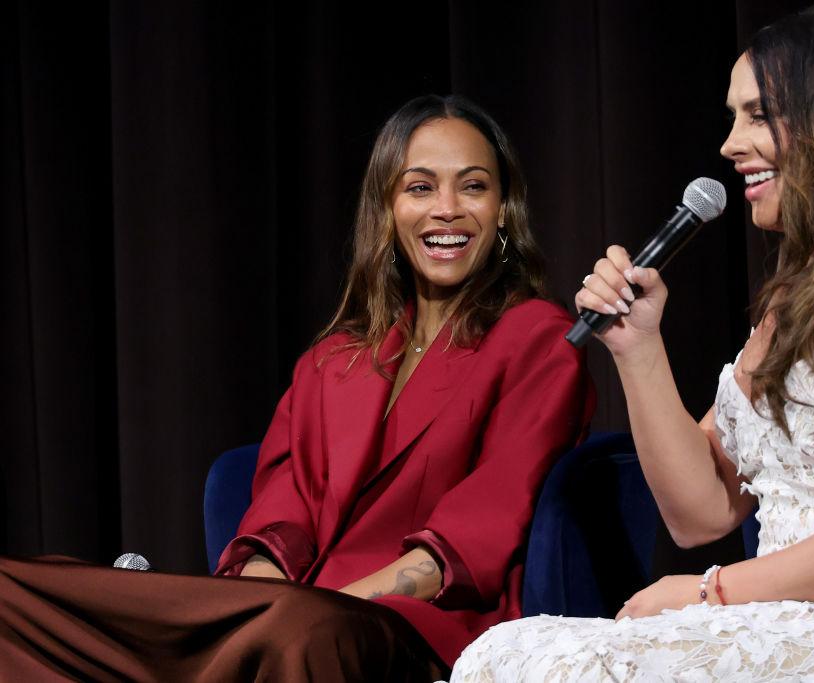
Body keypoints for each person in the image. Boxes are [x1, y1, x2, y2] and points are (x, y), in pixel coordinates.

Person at [449, 4, 814, 680]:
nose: (729, 144)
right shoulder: (797, 295)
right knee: (503, 654)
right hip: (795, 616)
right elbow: (700, 511)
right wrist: (638, 348)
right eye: (733, 117)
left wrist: (711, 591)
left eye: (758, 115)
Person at [0, 95, 593, 681]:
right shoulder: (332, 360)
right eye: (419, 187)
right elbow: (280, 521)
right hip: (287, 616)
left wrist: (303, 608)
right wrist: (249, 609)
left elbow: (475, 537)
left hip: (414, 625)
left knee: (300, 631)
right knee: (15, 595)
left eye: (473, 187)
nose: (447, 209)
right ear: (386, 210)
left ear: (503, 209)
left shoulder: (539, 340)